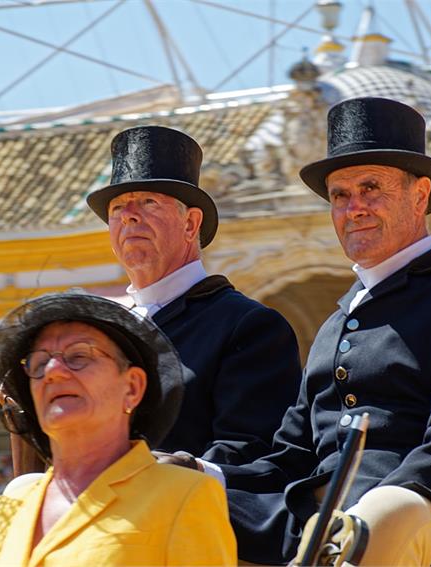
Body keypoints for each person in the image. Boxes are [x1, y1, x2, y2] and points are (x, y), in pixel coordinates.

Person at [188, 97, 431, 565]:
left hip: (425, 516)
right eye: (340, 195)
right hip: (318, 515)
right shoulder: (336, 321)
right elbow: (290, 455)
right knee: (178, 506)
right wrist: (198, 474)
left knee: (379, 517)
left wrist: (366, 511)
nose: (355, 208)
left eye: (371, 188)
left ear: (420, 195)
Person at [0, 291, 237, 566]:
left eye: (79, 355)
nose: (53, 371)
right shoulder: (7, 506)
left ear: (132, 387)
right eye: (39, 362)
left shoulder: (185, 496)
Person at [86, 125, 302, 464]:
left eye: (148, 202)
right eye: (117, 208)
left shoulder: (247, 327)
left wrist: (174, 471)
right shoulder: (103, 332)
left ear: (190, 224)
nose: (129, 215)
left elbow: (252, 455)